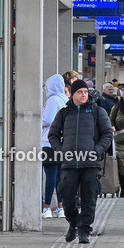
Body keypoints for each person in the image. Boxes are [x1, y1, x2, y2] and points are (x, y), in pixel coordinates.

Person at [49, 79, 114, 244]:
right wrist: (61, 151)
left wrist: (96, 151)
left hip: (91, 163)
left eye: (85, 92)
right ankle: (73, 222)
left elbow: (108, 134)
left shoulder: (97, 111)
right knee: (66, 195)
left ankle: (84, 230)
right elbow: (53, 135)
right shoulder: (64, 113)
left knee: (89, 198)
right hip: (70, 163)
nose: (84, 95)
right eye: (80, 92)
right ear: (72, 94)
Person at [41, 74, 67, 219]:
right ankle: (60, 208)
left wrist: (36, 119)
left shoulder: (52, 100)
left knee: (50, 176)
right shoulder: (65, 99)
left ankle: (47, 208)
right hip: (62, 142)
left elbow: (47, 119)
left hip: (48, 142)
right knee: (59, 177)